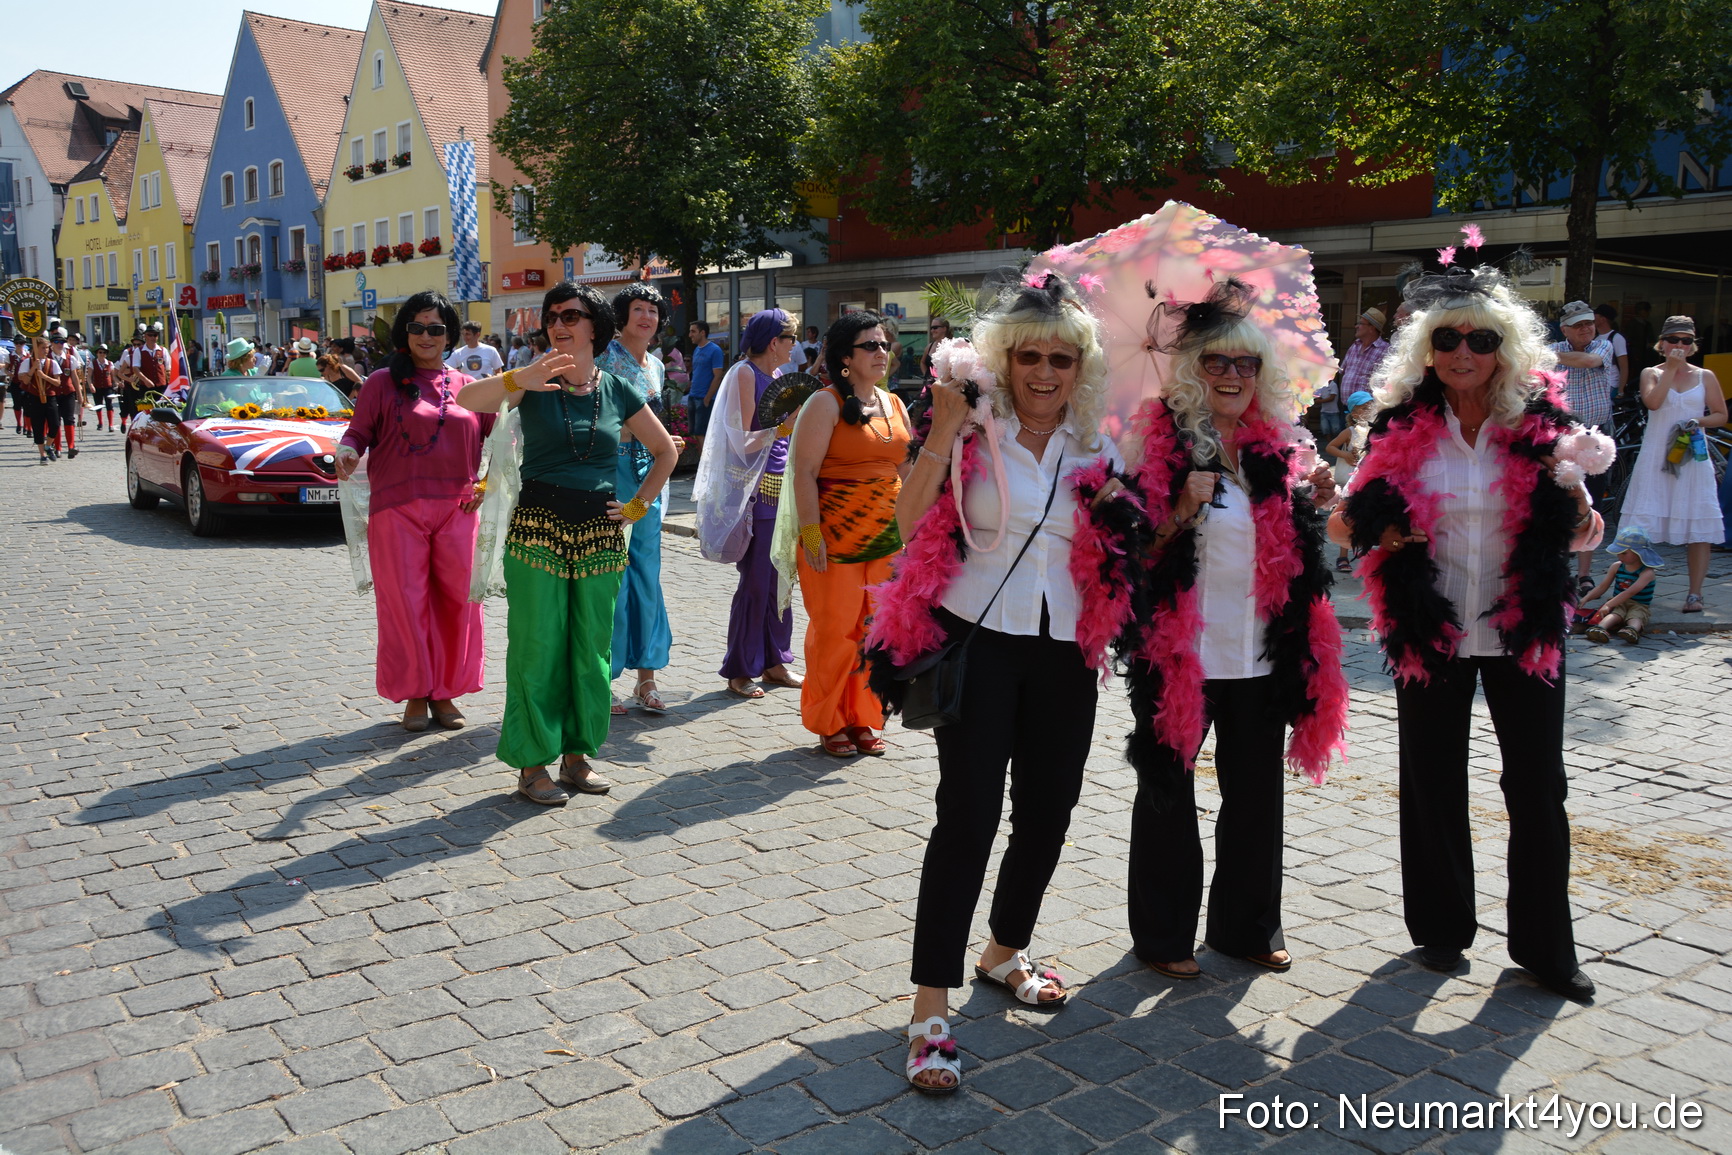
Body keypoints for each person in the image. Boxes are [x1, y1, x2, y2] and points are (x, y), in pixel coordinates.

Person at [864, 273, 1125, 1093]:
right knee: (968, 816)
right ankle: (929, 1006)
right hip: (978, 642)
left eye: (1061, 359)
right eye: (1030, 357)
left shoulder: (1100, 446)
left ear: (1080, 368)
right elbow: (905, 522)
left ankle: (1005, 950)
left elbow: (1130, 547)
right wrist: (942, 430)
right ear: (1006, 360)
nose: (1044, 372)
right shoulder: (974, 428)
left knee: (1049, 811)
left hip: (1066, 649)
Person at [1331, 264, 1608, 1004]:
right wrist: (1387, 532)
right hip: (1432, 628)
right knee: (1432, 780)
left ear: (1504, 349)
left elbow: (1584, 533)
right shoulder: (1399, 430)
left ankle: (1546, 949)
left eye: (1481, 340)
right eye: (1448, 339)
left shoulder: (1539, 428)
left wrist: (1578, 508)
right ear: (1428, 350)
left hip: (1525, 630)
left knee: (1538, 786)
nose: (1464, 352)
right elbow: (1345, 526)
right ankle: (1441, 928)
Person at [1087, 283, 1349, 984]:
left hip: (1260, 651)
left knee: (1257, 794)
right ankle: (1163, 932)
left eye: (1246, 364)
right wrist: (1176, 509)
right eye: (1217, 363)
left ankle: (1246, 927)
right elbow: (1125, 554)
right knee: (1168, 790)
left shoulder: (1276, 449)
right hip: (1180, 654)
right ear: (1191, 371)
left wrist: (1315, 500)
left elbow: (1294, 555)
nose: (1233, 376)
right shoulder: (1154, 443)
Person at [457, 282, 678, 806]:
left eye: (571, 315)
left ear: (594, 326)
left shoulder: (617, 389)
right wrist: (520, 377)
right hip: (538, 530)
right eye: (552, 316)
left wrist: (637, 506)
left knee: (591, 650)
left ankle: (577, 756)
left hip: (600, 535)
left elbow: (665, 452)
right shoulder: (532, 380)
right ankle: (533, 763)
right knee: (537, 648)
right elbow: (466, 399)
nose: (559, 323)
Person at [336, 291, 497, 734]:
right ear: (405, 332)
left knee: (458, 603)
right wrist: (347, 452)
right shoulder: (380, 382)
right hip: (396, 509)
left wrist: (486, 483)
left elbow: (504, 437)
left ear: (450, 335)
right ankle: (415, 693)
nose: (427, 336)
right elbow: (357, 433)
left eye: (437, 328)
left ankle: (445, 692)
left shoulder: (468, 386)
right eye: (418, 327)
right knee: (405, 605)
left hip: (458, 510)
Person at [778, 311, 912, 756]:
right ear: (845, 358)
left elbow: (907, 470)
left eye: (883, 344)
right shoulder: (825, 403)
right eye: (869, 345)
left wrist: (922, 530)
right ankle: (830, 720)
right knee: (836, 631)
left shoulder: (895, 404)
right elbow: (804, 473)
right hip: (833, 543)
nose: (881, 351)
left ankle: (865, 717)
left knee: (878, 631)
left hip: (887, 539)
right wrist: (812, 535)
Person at [695, 309, 802, 700]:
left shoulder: (778, 375)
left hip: (783, 490)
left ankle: (775, 661)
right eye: (790, 338)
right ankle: (740, 668)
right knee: (756, 583)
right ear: (774, 342)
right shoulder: (744, 373)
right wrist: (783, 427)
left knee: (780, 581)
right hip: (755, 494)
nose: (794, 345)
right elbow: (740, 440)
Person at [600, 284, 683, 714]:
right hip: (612, 471)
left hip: (651, 474)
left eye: (653, 310)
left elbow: (651, 427)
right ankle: (603, 677)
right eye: (638, 309)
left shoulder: (657, 365)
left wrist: (665, 442)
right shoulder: (601, 359)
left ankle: (646, 677)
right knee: (612, 572)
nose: (647, 317)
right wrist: (644, 436)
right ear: (622, 316)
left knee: (648, 572)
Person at [1616, 316, 1727, 611]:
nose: (1680, 345)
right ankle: (1629, 590)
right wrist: (1672, 369)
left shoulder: (1705, 376)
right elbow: (1653, 403)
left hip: (1691, 459)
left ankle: (1695, 594)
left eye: (1686, 340)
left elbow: (1721, 414)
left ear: (1693, 345)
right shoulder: (1651, 373)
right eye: (1674, 339)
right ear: (1662, 343)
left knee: (1699, 523)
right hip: (1655, 457)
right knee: (1640, 525)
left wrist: (1697, 420)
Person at [1551, 300, 1617, 595]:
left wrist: (1552, 356)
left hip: (1597, 438)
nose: (1586, 329)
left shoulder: (1603, 346)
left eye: (1589, 323)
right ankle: (1559, 568)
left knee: (1592, 506)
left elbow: (1589, 362)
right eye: (1578, 325)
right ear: (1564, 329)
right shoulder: (1553, 348)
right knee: (1561, 504)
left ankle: (1585, 574)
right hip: (1562, 439)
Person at [1577, 526, 1660, 645]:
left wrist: (1608, 604)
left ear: (1639, 553)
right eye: (1618, 553)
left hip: (1638, 604)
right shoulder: (1616, 566)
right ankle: (1600, 628)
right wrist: (1586, 598)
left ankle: (1632, 630)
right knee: (1615, 614)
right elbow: (1602, 587)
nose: (1620, 556)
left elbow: (1630, 592)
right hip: (1619, 602)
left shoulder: (1647, 572)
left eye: (1624, 553)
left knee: (1636, 615)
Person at [1324, 390, 1376, 570]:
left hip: (1365, 481)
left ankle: (1366, 555)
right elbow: (1330, 447)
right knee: (1345, 516)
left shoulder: (1375, 430)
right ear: (1353, 413)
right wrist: (1345, 454)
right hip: (1348, 480)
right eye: (1363, 407)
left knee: (1365, 516)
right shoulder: (1350, 432)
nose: (1368, 410)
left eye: (1370, 406)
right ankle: (1343, 555)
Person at [1323, 307, 1389, 442]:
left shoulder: (1385, 349)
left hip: (1366, 410)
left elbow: (1384, 382)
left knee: (1361, 445)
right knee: (1346, 445)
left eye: (1361, 323)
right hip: (1347, 408)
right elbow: (1343, 370)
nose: (1356, 326)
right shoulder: (1355, 346)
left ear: (1372, 328)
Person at [18, 336, 67, 464]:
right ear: (36, 348)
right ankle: (42, 455)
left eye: (47, 348)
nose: (46, 350)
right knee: (38, 426)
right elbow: (25, 381)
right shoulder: (27, 362)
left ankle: (48, 445)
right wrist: (33, 368)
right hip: (34, 397)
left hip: (50, 396)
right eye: (43, 348)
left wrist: (44, 376)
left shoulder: (52, 363)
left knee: (55, 424)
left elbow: (57, 382)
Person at [115, 329, 168, 433]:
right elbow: (125, 370)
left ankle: (160, 431)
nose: (153, 337)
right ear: (146, 337)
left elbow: (168, 368)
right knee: (139, 410)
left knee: (161, 410)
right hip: (140, 386)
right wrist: (132, 379)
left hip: (160, 386)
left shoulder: (162, 350)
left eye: (155, 335)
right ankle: (138, 429)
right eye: (150, 335)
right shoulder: (131, 353)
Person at [687, 319, 724, 453]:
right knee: (695, 433)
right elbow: (697, 373)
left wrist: (708, 398)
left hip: (704, 398)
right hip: (693, 396)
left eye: (693, 331)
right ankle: (701, 463)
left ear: (702, 333)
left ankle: (706, 464)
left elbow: (718, 376)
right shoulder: (697, 349)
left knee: (702, 434)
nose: (690, 335)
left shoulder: (715, 350)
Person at [1593, 304, 1630, 396]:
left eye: (1595, 315)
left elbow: (1624, 366)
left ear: (1603, 319)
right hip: (1598, 386)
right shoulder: (1595, 338)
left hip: (1611, 385)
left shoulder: (1617, 338)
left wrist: (1621, 391)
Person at [88, 345, 117, 432]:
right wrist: (91, 385)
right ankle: (100, 423)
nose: (102, 354)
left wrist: (117, 382)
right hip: (97, 387)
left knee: (109, 405)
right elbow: (89, 376)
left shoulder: (110, 363)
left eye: (104, 352)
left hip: (108, 387)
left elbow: (113, 376)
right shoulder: (93, 363)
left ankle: (111, 425)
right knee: (98, 405)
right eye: (100, 352)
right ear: (97, 353)